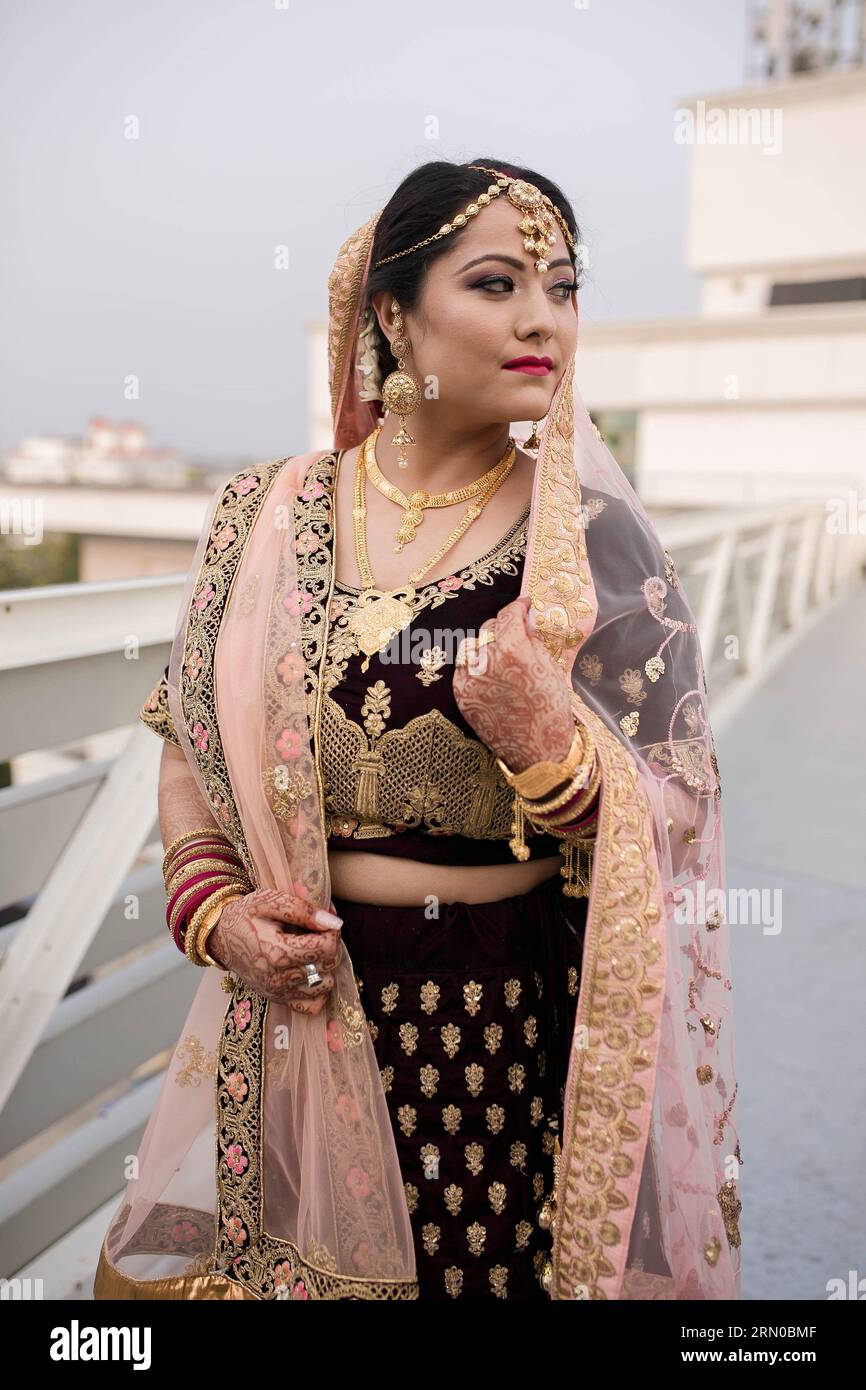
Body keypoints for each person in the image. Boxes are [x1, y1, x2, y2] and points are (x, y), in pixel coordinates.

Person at [93, 158, 742, 1302]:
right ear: (391, 316)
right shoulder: (264, 514)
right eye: (495, 284)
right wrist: (213, 915)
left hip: (488, 1022)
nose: (542, 318)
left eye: (563, 286)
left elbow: (683, 797)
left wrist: (555, 754)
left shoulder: (588, 545)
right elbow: (191, 745)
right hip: (285, 1013)